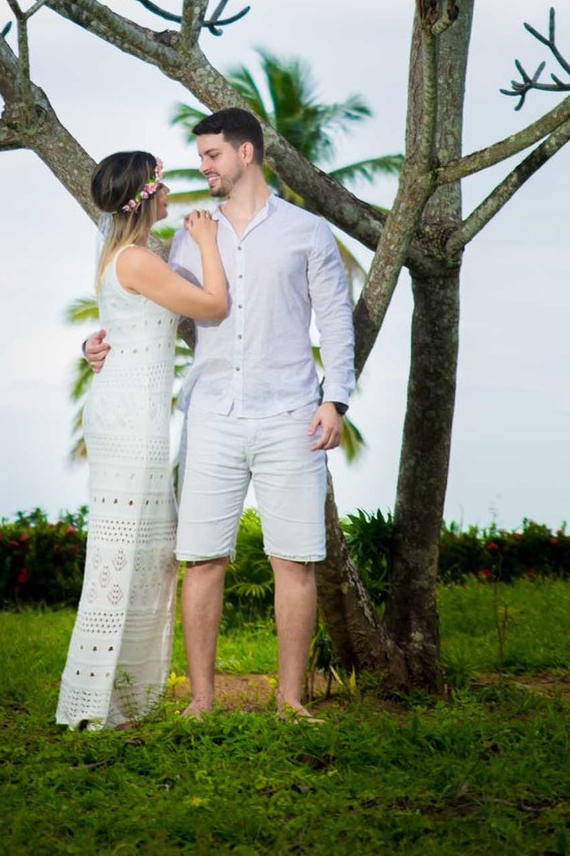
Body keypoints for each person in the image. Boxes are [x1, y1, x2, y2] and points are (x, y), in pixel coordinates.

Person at [84, 109, 355, 720]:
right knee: (202, 559)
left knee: (295, 560)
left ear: (246, 154)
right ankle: (201, 702)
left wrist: (335, 400)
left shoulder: (307, 232)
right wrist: (102, 345)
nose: (201, 166)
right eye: (202, 155)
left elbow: (336, 319)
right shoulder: (188, 235)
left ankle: (289, 702)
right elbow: (163, 311)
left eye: (211, 155)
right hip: (209, 414)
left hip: (292, 412)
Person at [57, 150, 228, 730]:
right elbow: (212, 305)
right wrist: (205, 240)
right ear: (147, 194)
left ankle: (124, 697)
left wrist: (90, 349)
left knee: (147, 555)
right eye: (163, 181)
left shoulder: (125, 256)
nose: (171, 190)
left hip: (132, 411)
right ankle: (96, 703)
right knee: (127, 553)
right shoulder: (137, 260)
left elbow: (125, 331)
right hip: (132, 419)